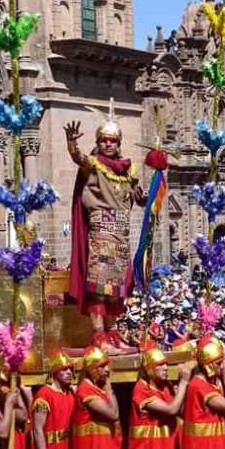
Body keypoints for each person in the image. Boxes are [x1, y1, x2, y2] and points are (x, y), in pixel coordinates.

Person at [65, 110, 145, 354]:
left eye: (112, 141)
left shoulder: (128, 170)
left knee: (117, 289)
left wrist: (144, 196)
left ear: (119, 143)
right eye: (103, 140)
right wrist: (72, 142)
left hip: (122, 232)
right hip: (101, 229)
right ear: (98, 143)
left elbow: (137, 197)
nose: (108, 144)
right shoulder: (94, 164)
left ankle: (111, 335)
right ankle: (99, 337)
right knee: (100, 287)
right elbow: (79, 157)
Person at [127, 347, 191, 449]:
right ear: (150, 368)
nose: (166, 368)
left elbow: (180, 410)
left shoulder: (165, 385)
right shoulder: (141, 389)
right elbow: (171, 410)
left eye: (166, 364)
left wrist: (180, 390)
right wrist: (183, 383)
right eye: (160, 365)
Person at [181, 335, 225, 449]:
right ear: (209, 366)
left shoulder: (210, 383)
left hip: (214, 445)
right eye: (219, 363)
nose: (223, 366)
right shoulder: (200, 385)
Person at [71, 346, 121, 449]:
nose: (108, 370)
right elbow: (113, 414)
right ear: (92, 368)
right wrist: (109, 390)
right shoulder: (85, 389)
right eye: (102, 366)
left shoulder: (98, 387)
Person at [31, 353, 76, 449]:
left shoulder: (69, 393)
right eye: (64, 369)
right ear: (55, 371)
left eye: (71, 370)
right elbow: (37, 430)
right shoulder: (44, 395)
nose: (69, 373)